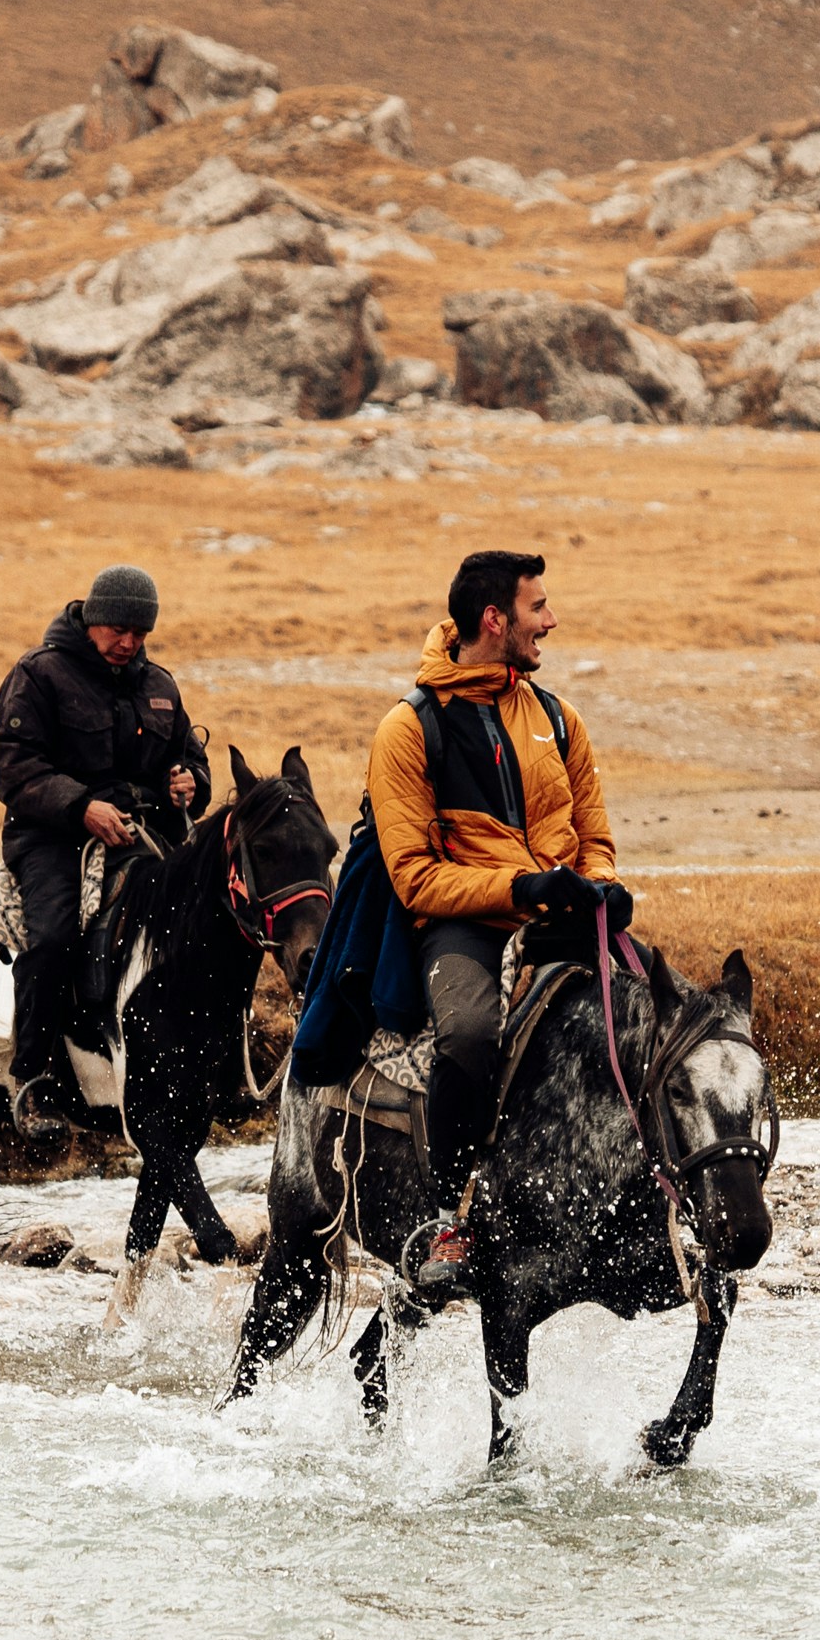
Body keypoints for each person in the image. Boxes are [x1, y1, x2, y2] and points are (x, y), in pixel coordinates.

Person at [365, 547, 623, 1289]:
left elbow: (596, 837)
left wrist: (603, 886)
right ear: (494, 620)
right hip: (465, 925)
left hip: (562, 912)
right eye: (538, 608)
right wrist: (518, 887)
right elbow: (414, 878)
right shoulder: (408, 730)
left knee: (647, 1023)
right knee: (471, 1035)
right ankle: (448, 1219)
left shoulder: (559, 718)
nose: (551, 620)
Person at [0, 565, 204, 1137]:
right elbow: (13, 764)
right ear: (91, 619)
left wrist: (191, 782)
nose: (128, 643)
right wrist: (81, 806)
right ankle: (33, 1078)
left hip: (144, 836)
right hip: (53, 838)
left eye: (140, 633)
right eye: (118, 630)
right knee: (54, 938)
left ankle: (207, 1065)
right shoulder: (39, 675)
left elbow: (189, 758)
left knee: (202, 923)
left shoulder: (160, 686)